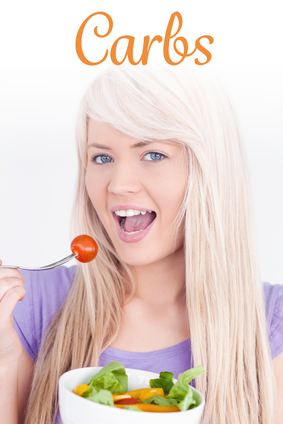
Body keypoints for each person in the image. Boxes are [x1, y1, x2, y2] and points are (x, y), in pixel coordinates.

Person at [0, 64, 282, 424]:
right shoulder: (25, 307)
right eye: (102, 157)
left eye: (152, 155)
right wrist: (4, 362)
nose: (119, 184)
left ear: (209, 170)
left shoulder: (270, 324)